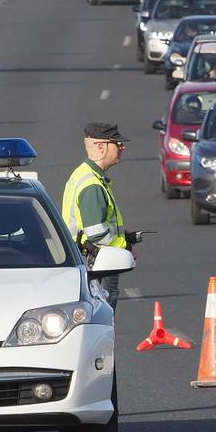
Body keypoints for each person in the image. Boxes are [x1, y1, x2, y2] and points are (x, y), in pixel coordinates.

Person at [61, 122, 146, 308]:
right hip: (98, 262)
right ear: (101, 147)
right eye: (116, 143)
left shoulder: (84, 174)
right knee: (103, 316)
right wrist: (124, 245)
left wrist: (124, 236)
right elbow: (97, 233)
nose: (122, 147)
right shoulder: (92, 183)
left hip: (87, 259)